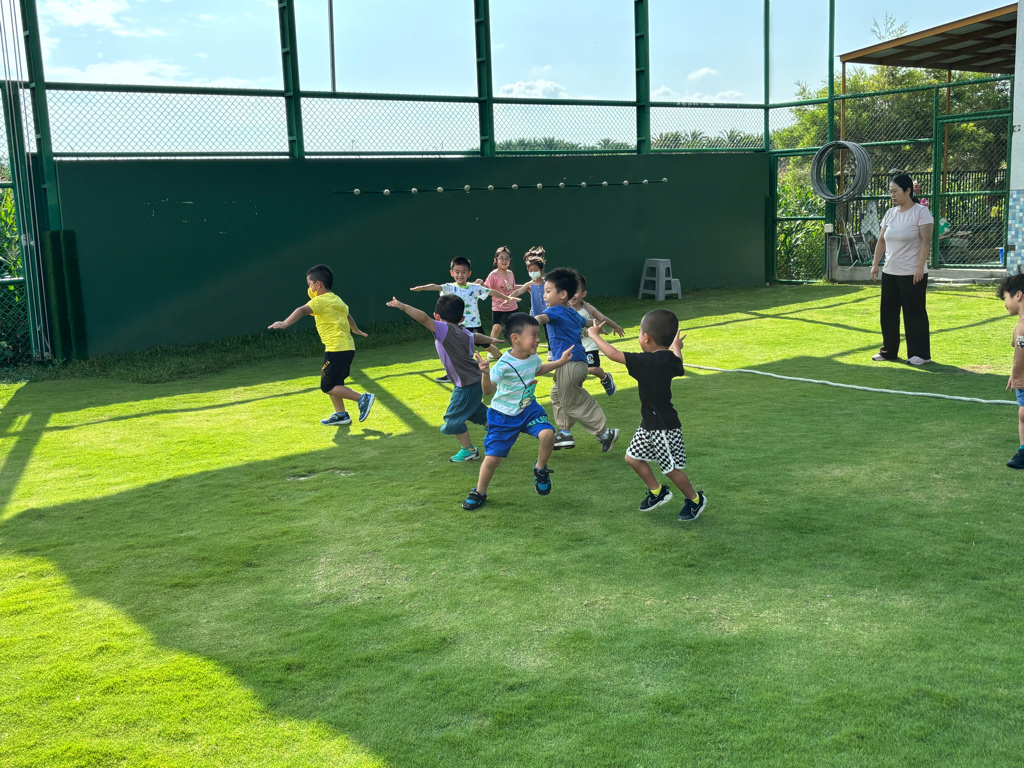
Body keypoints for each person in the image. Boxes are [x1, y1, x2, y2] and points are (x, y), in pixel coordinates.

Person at [586, 309, 707, 522]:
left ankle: (695, 500)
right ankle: (657, 491)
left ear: (647, 338)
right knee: (632, 458)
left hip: (663, 426)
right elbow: (679, 365)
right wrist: (677, 348)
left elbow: (614, 355)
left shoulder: (647, 362)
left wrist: (594, 336)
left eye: (640, 333)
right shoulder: (668, 358)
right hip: (649, 423)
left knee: (670, 469)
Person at [462, 313, 574, 511]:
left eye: (538, 334)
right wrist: (485, 374)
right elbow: (488, 391)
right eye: (533, 335)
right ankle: (479, 492)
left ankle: (540, 469)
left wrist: (560, 362)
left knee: (547, 434)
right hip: (502, 416)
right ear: (515, 338)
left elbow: (537, 369)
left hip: (528, 409)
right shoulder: (503, 365)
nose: (538, 339)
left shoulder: (532, 357)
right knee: (492, 459)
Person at [386, 294, 499, 462]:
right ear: (462, 319)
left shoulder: (444, 329)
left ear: (436, 316)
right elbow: (477, 337)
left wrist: (403, 306)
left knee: (452, 419)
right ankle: (496, 426)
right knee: (474, 411)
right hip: (474, 381)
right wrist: (491, 340)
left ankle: (469, 450)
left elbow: (423, 318)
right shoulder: (464, 331)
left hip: (466, 384)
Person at [269, 264, 374, 426]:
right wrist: (356, 330)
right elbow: (348, 316)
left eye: (309, 284)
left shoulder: (320, 301)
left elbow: (301, 310)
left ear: (318, 285)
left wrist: (284, 323)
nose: (308, 288)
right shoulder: (336, 299)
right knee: (334, 382)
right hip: (345, 348)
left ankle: (363, 398)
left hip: (337, 349)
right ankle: (341, 415)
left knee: (327, 386)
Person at [535, 267, 619, 452]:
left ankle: (604, 433)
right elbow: (587, 323)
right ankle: (564, 433)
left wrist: (530, 322)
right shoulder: (571, 312)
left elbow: (542, 318)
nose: (544, 296)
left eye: (548, 291)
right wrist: (596, 327)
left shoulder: (555, 311)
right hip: (577, 364)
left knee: (573, 401)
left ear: (563, 294)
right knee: (557, 395)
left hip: (569, 365)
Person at [410, 256, 516, 381]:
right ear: (452, 273)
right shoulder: (449, 287)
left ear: (469, 273)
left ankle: (507, 363)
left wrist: (507, 298)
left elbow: (491, 292)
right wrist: (422, 288)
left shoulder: (475, 288)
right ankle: (452, 374)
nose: (460, 275)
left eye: (464, 272)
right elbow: (436, 286)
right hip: (456, 326)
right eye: (457, 272)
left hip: (474, 325)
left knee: (487, 346)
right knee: (454, 350)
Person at [870, 173, 935, 365]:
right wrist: (875, 264)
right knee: (888, 313)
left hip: (912, 273)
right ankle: (888, 351)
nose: (892, 195)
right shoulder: (890, 213)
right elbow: (881, 240)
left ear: (908, 191)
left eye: (895, 191)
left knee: (914, 313)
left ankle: (920, 354)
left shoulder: (921, 212)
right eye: (890, 192)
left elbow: (926, 242)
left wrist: (919, 267)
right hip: (890, 272)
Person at [569, 273, 625, 396]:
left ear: (583, 293)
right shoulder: (564, 308)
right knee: (576, 372)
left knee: (592, 369)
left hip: (590, 343)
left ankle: (605, 378)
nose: (572, 295)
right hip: (575, 345)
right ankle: (576, 394)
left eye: (575, 292)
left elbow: (602, 318)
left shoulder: (587, 308)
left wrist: (615, 326)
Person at [998, 269, 1024, 469]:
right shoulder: (1019, 325)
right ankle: (1023, 451)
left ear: (1018, 295)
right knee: (1022, 415)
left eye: (1005, 298)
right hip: (1020, 381)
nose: (1005, 303)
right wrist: (1013, 375)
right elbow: (1018, 355)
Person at [483, 246, 518, 358]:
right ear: (496, 260)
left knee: (516, 328)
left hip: (512, 306)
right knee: (496, 328)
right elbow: (486, 289)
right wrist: (481, 284)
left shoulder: (511, 274)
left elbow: (513, 288)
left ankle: (518, 349)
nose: (504, 261)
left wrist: (527, 287)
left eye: (507, 258)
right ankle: (491, 350)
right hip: (498, 307)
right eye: (501, 258)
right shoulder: (493, 275)